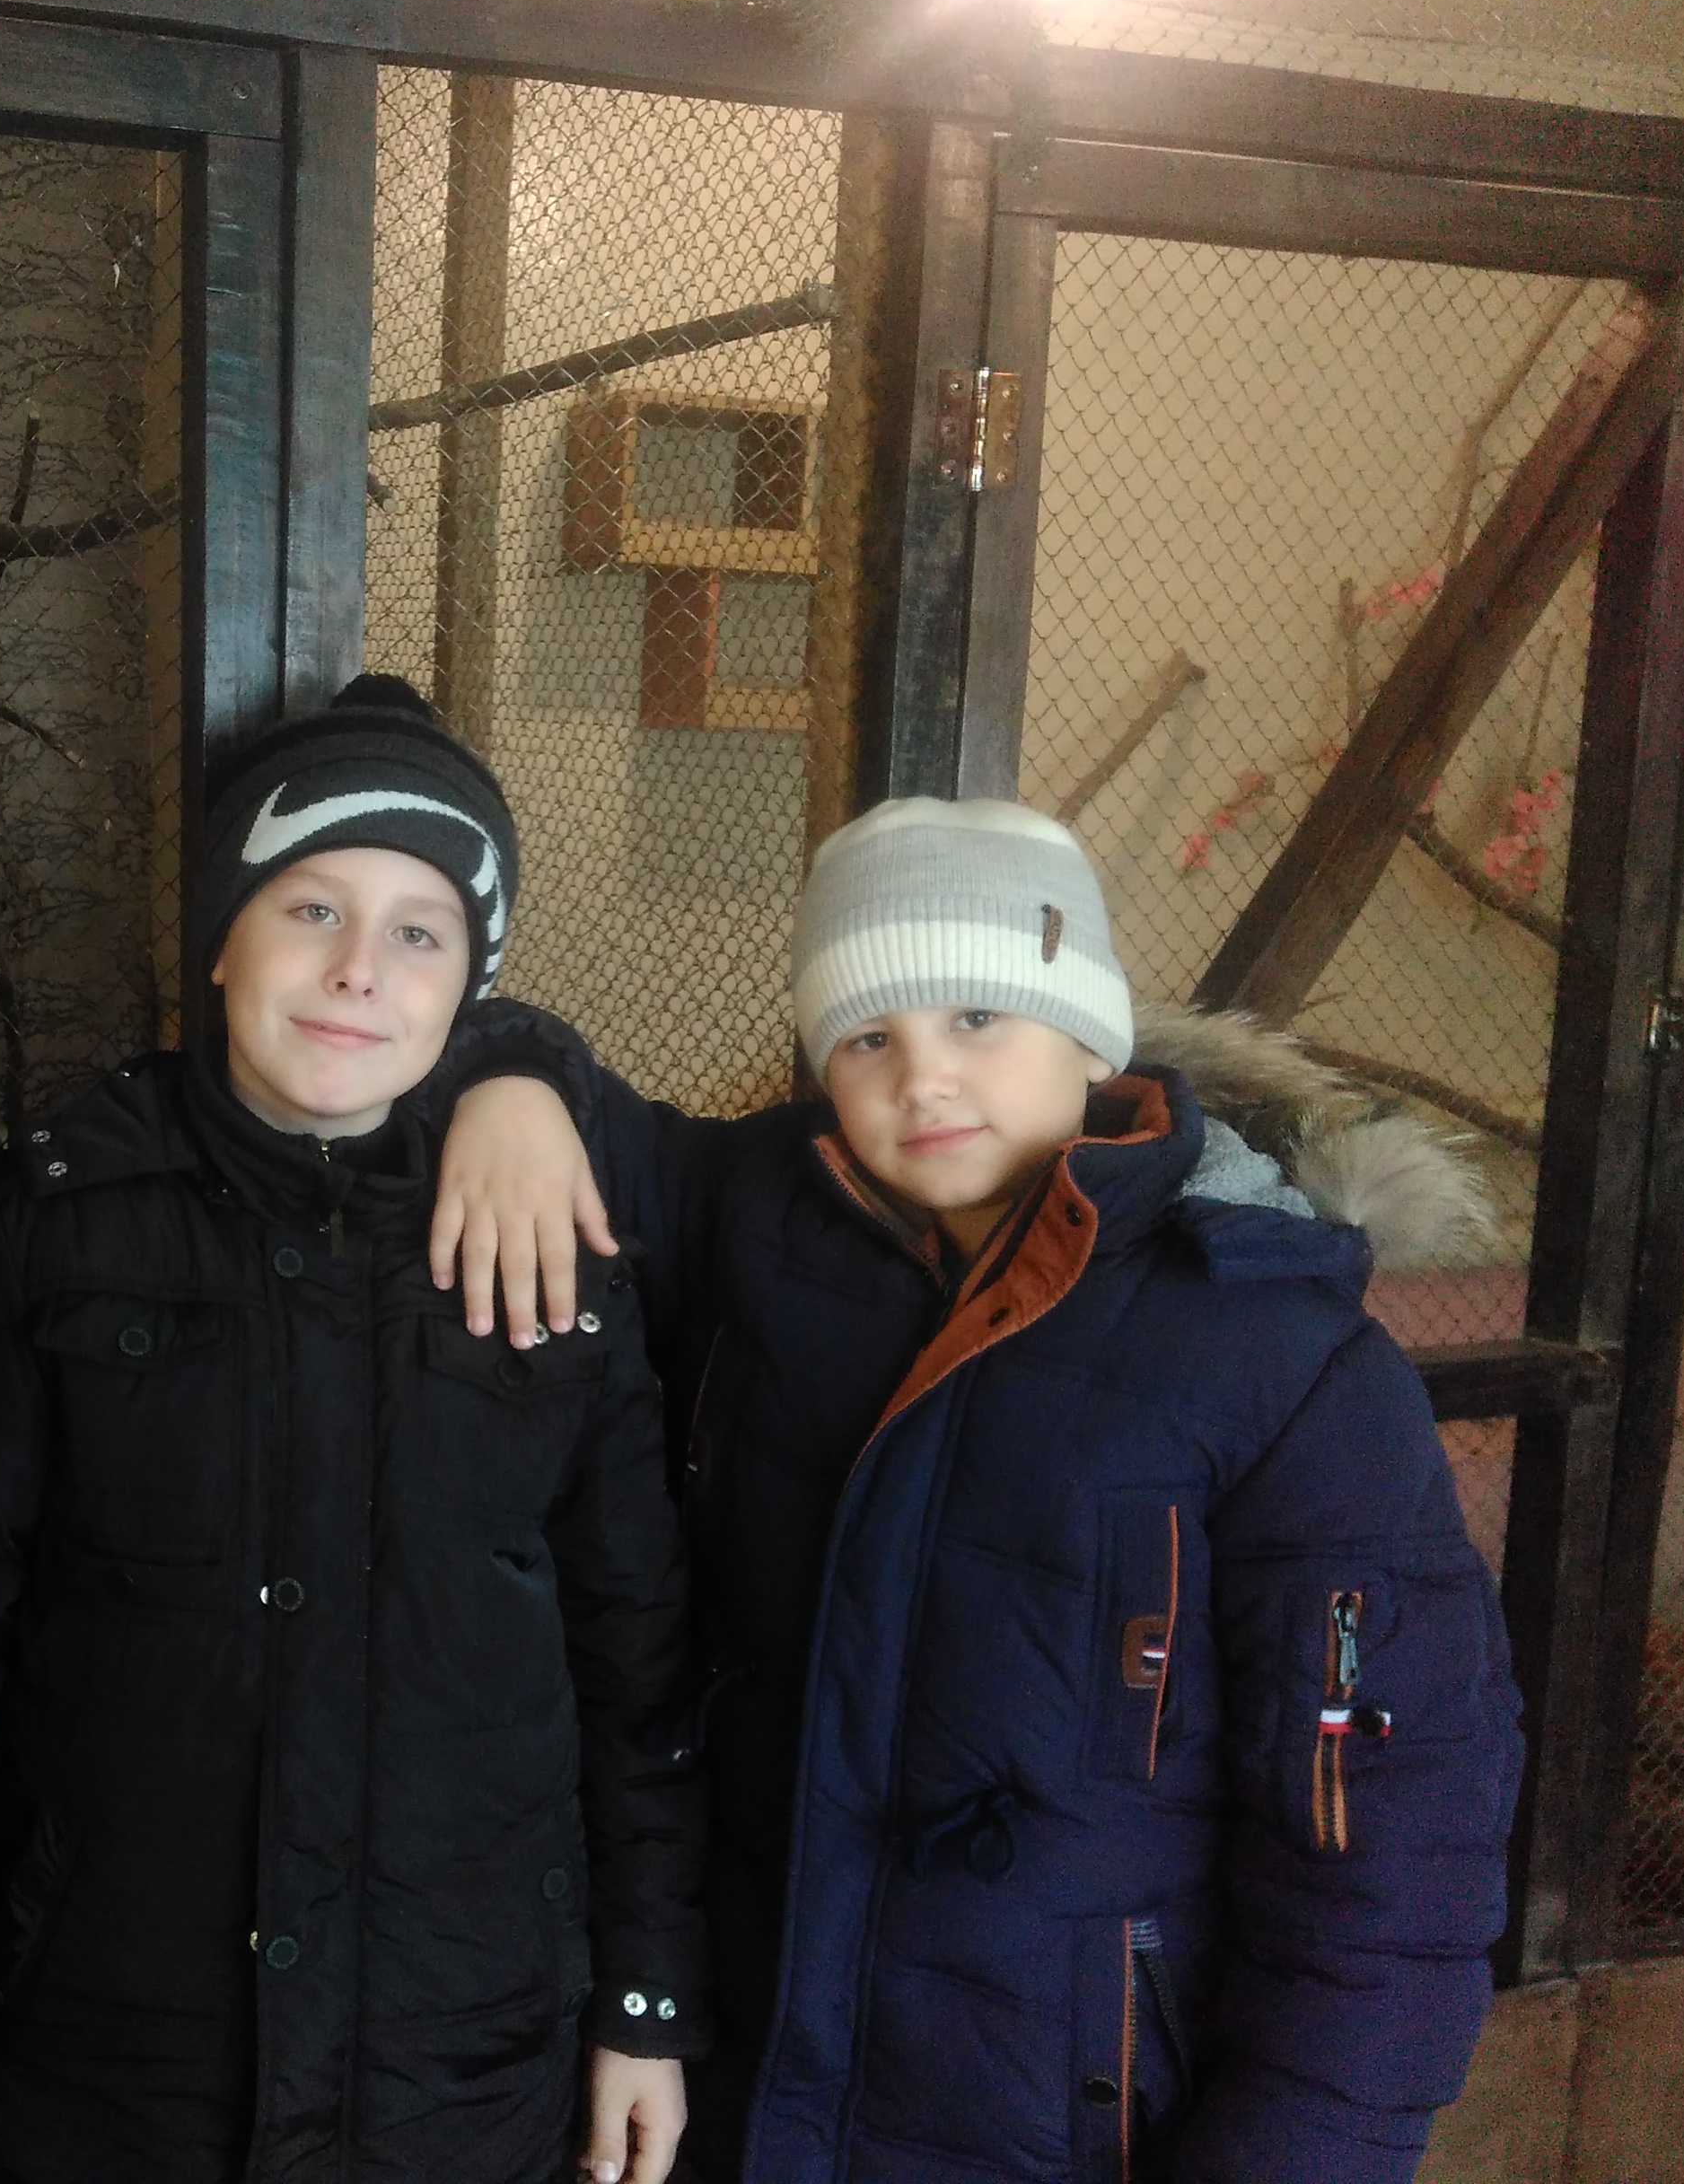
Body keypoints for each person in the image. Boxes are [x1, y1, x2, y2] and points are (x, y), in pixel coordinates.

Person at [430, 796, 1524, 2183]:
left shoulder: (1278, 1352)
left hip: (1072, 2123)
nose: (924, 1080)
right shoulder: (760, 1215)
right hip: (747, 2078)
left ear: (1090, 1036)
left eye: (978, 1019)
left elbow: (1389, 1847)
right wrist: (512, 1087)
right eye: (868, 1037)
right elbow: (479, 1050)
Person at [0, 675, 706, 2184]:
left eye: (420, 933)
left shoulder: (553, 1251)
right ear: (222, 936)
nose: (357, 971)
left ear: (470, 986)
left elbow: (634, 1659)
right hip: (116, 2061)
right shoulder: (48, 1230)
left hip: (464, 2062)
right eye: (310, 908)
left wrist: (646, 2000)